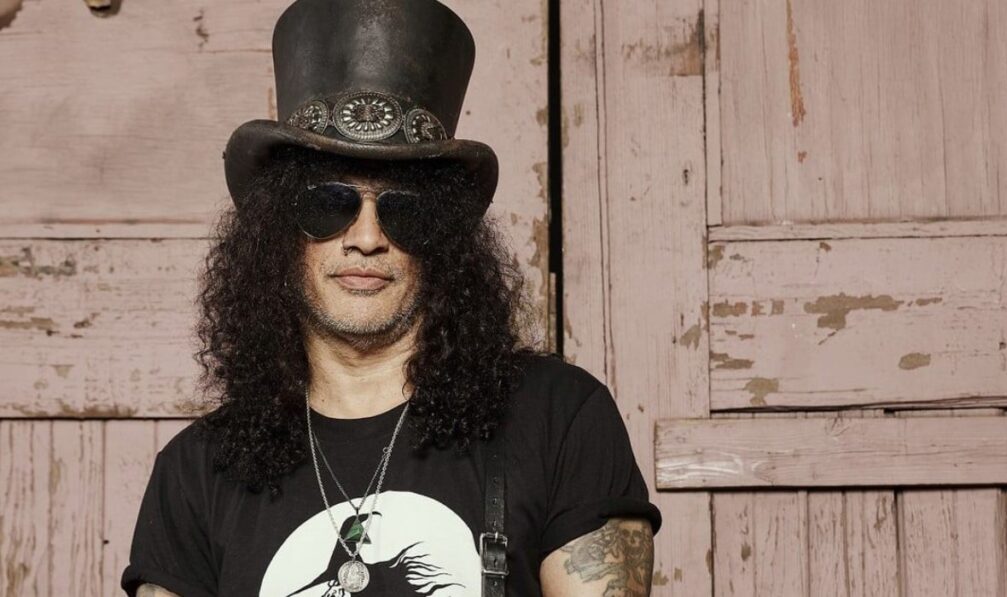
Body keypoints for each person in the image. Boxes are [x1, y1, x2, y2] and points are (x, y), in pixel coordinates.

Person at [120, 0, 661, 595]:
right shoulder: (197, 470)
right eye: (329, 204)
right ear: (277, 232)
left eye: (405, 211)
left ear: (444, 239)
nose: (367, 238)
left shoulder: (557, 416)